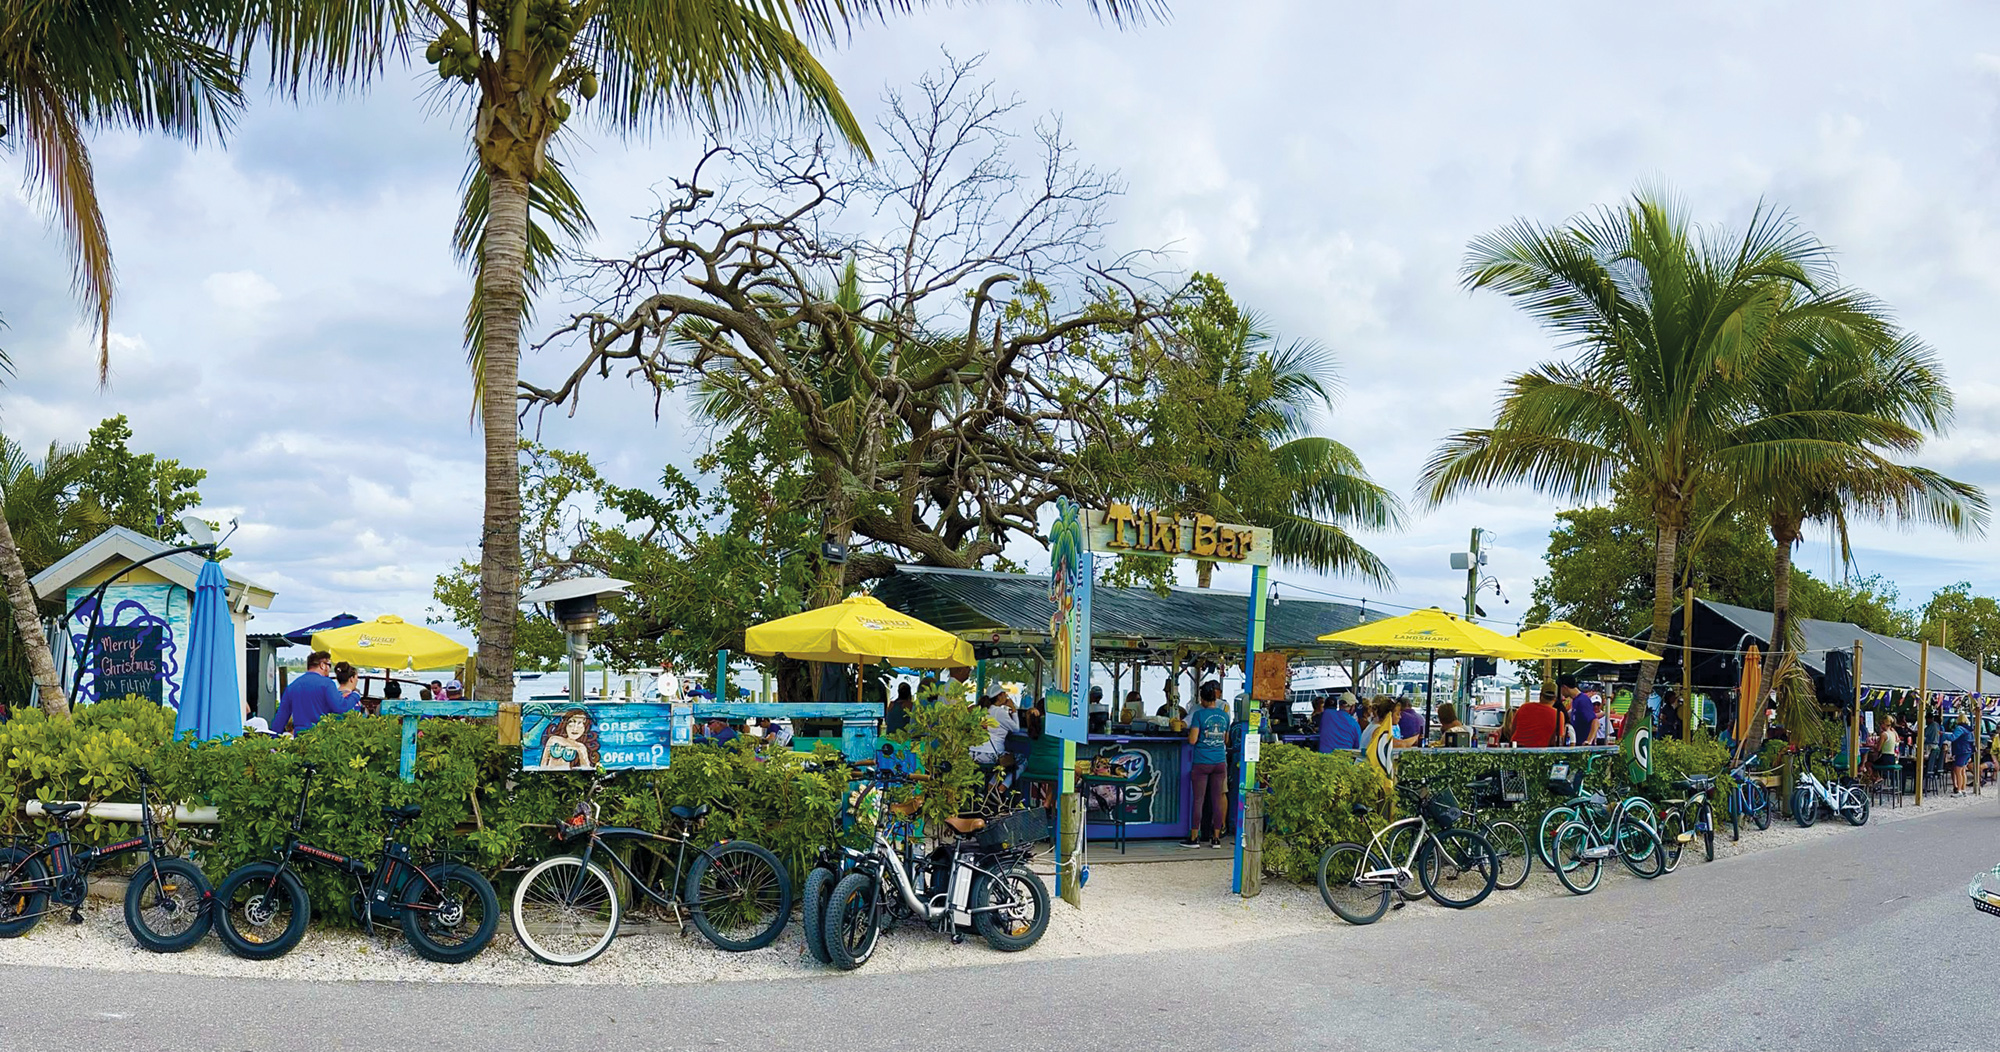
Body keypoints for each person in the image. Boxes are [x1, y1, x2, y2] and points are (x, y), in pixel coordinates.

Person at [1182, 681, 1230, 848]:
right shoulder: (1225, 715)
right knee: (1217, 799)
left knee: (1198, 800)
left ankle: (1194, 838)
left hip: (1202, 762)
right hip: (1220, 762)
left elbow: (1193, 740)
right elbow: (1226, 739)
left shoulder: (1199, 715)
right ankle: (1216, 838)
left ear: (1203, 698)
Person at [274, 651, 356, 735]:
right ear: (322, 665)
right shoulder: (327, 683)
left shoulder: (292, 686)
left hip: (300, 738)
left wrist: (273, 739)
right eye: (329, 665)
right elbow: (341, 707)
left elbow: (281, 717)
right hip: (320, 736)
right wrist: (355, 696)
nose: (329, 669)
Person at [972, 692, 1020, 763]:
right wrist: (1013, 709)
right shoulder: (999, 711)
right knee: (1021, 758)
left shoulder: (981, 709)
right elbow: (1016, 729)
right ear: (999, 697)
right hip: (990, 753)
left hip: (973, 753)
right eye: (1004, 694)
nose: (1006, 696)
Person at [1558, 675, 1599, 746]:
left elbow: (1595, 721)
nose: (1561, 692)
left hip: (1584, 747)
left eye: (1560, 689)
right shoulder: (1575, 700)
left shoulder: (1582, 700)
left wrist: (1589, 740)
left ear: (1564, 687)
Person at [1950, 716, 1975, 795]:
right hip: (1968, 751)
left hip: (1961, 750)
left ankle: (1959, 790)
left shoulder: (1959, 728)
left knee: (1957, 770)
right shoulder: (1969, 729)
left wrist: (1944, 735)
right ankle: (1963, 789)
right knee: (1963, 770)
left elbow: (1953, 737)